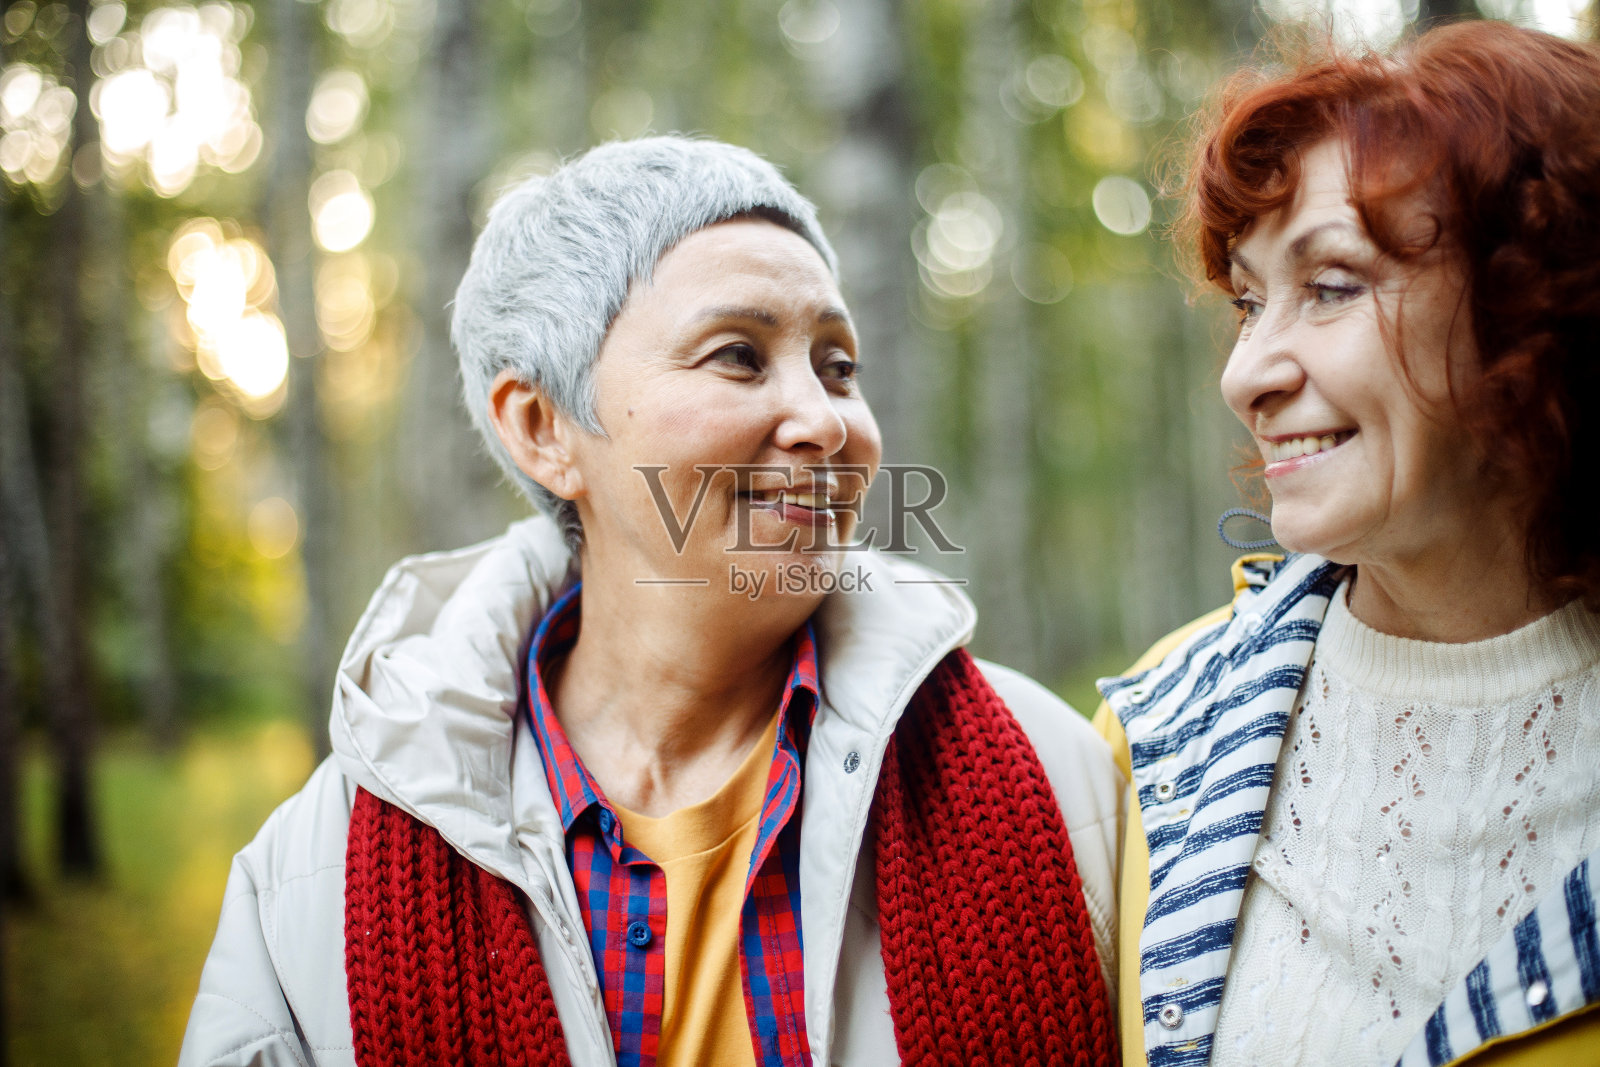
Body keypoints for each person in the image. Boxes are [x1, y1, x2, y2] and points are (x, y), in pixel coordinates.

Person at [179, 136, 1122, 1067]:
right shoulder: (312, 882)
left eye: (838, 367)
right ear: (543, 428)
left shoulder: (1057, 784)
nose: (824, 420)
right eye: (739, 355)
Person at [1094, 20, 1600, 1067]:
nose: (1244, 374)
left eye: (1330, 286)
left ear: (1539, 308)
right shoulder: (1150, 742)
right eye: (1248, 301)